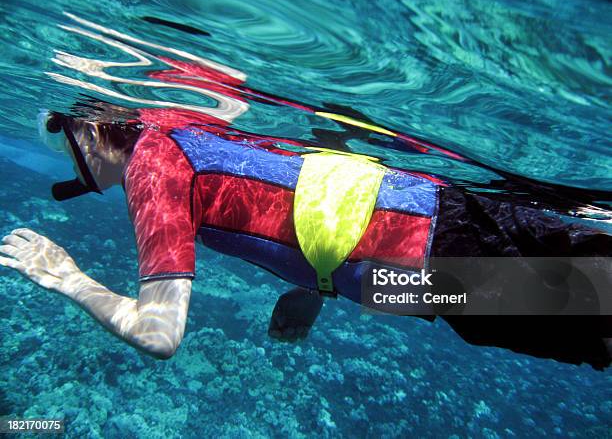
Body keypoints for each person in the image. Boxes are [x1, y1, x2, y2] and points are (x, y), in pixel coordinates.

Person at [1, 103, 610, 371]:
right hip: (434, 206)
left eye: (62, 138)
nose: (67, 158)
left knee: (593, 312)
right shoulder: (176, 119)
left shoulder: (150, 170)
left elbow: (159, 335)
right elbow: (298, 189)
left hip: (420, 273)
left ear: (87, 130)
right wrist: (317, 285)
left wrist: (67, 277)